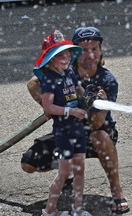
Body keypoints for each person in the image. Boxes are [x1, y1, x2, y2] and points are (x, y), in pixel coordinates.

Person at [21, 27, 130, 215]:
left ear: (101, 50)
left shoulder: (107, 80)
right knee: (29, 164)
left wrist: (97, 104)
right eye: (84, 50)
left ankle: (117, 192)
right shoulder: (64, 71)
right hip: (67, 130)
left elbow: (96, 123)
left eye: (94, 49)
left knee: (99, 136)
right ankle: (68, 174)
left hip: (96, 132)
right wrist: (49, 107)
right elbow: (33, 84)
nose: (90, 55)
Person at [33, 30, 91, 216]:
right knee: (64, 172)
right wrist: (71, 111)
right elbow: (48, 106)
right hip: (63, 132)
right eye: (59, 55)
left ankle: (78, 209)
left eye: (67, 54)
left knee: (80, 170)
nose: (65, 58)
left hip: (78, 129)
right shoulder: (50, 79)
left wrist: (89, 97)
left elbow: (79, 89)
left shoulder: (69, 72)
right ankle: (50, 211)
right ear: (50, 59)